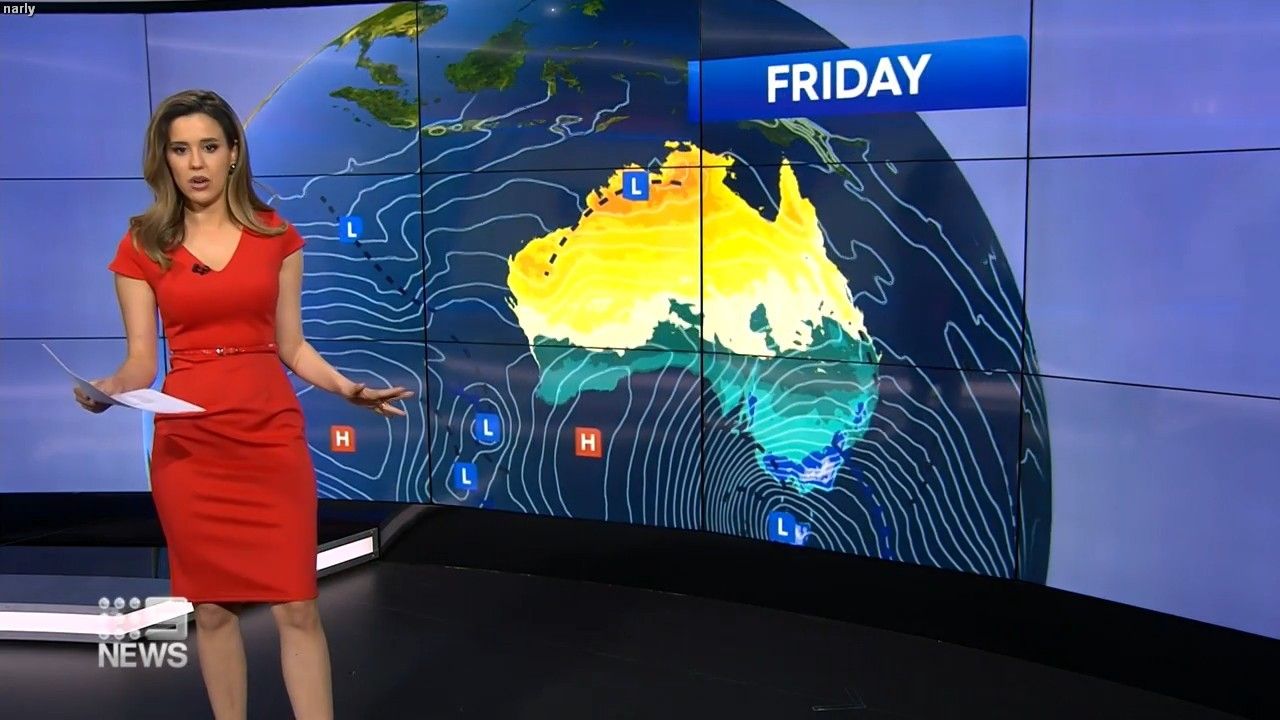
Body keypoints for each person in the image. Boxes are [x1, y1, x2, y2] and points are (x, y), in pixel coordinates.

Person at [73, 88, 413, 720]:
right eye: (180, 150)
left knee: (297, 605)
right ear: (164, 159)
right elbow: (141, 362)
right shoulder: (142, 245)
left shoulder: (277, 235)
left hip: (268, 435)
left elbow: (292, 345)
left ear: (233, 153)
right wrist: (109, 389)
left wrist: (347, 389)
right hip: (190, 447)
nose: (196, 163)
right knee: (211, 609)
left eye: (209, 146)